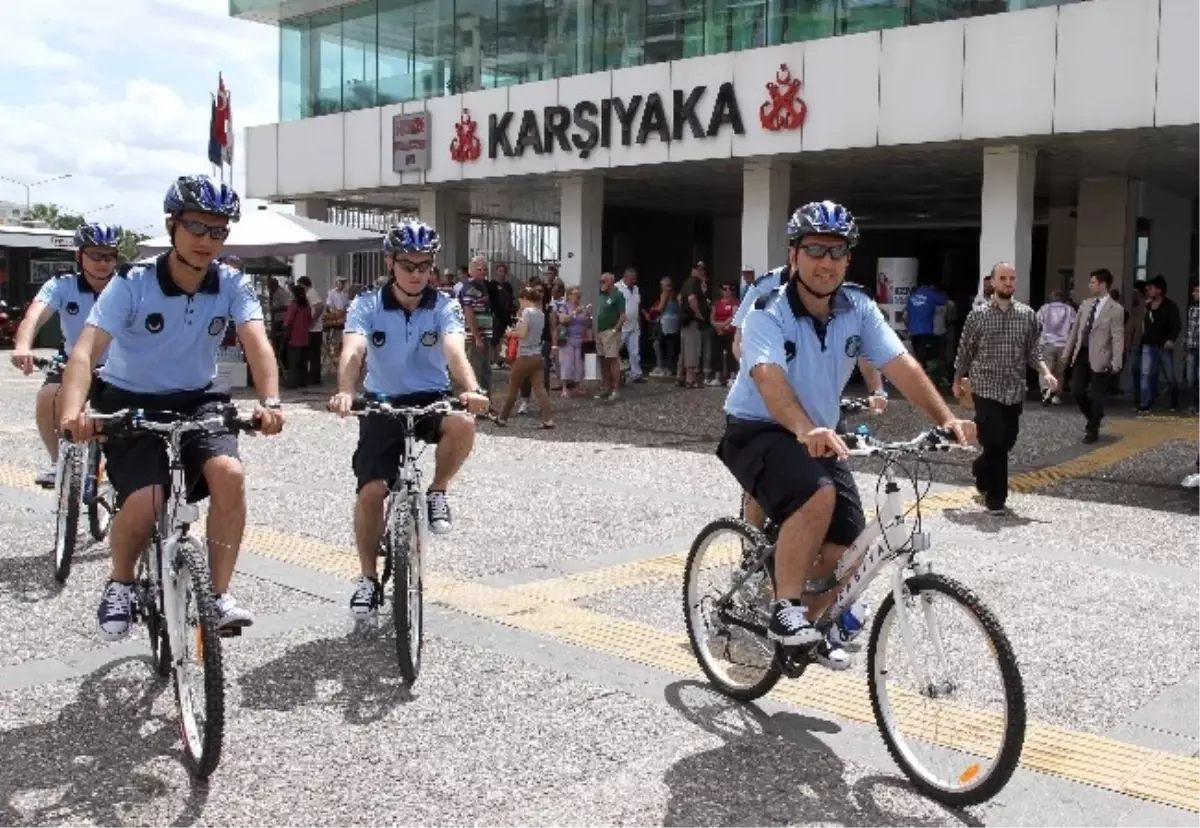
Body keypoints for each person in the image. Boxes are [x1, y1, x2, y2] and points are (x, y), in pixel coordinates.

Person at [720, 200, 974, 670]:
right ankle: (785, 610)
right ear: (794, 256)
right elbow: (768, 377)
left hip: (820, 433)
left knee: (850, 546)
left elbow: (902, 365)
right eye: (815, 249)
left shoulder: (857, 307)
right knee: (815, 495)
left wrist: (946, 420)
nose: (826, 261)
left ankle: (807, 634)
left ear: (848, 260)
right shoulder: (767, 309)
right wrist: (804, 426)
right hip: (759, 428)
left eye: (837, 252)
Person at [58, 174, 286, 641]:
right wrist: (74, 412)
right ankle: (120, 582)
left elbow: (258, 345)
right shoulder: (130, 283)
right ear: (172, 226)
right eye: (197, 227)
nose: (208, 241)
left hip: (198, 397)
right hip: (128, 398)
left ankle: (218, 596)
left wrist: (271, 401)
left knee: (230, 475)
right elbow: (85, 352)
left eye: (218, 231)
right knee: (147, 499)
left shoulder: (233, 284)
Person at [328, 219, 490, 619]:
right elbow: (353, 350)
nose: (417, 274)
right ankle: (367, 579)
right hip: (382, 402)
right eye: (408, 265)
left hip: (430, 398)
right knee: (371, 493)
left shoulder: (445, 305)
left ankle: (437, 491)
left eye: (424, 265)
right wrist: (346, 390)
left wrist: (470, 390)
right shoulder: (366, 304)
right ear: (390, 262)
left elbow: (455, 351)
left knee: (463, 424)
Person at [10, 222, 122, 487]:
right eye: (95, 255)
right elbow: (34, 316)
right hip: (74, 360)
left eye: (109, 255)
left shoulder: (126, 286)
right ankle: (57, 461)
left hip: (120, 366)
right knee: (49, 396)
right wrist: (23, 345)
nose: (103, 262)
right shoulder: (62, 284)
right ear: (79, 255)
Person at [953, 262, 1057, 515]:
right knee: (995, 440)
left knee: (1006, 441)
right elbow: (965, 350)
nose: (1008, 283)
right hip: (985, 387)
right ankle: (997, 498)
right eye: (1003, 278)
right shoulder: (977, 315)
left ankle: (981, 467)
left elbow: (1033, 350)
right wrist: (957, 380)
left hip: (1013, 388)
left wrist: (1046, 372)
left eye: (1012, 278)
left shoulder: (1027, 315)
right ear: (992, 282)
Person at [1063, 269, 1123, 443]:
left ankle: (1092, 428)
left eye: (1092, 282)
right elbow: (1075, 332)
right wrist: (1067, 352)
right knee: (1077, 391)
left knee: (1096, 394)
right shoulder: (1085, 304)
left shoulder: (1115, 309)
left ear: (1102, 284)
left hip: (1101, 356)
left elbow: (1117, 337)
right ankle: (1094, 415)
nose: (1089, 285)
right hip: (1081, 353)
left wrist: (1116, 362)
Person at [497, 284, 555, 428]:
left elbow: (522, 334)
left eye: (520, 300)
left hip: (524, 355)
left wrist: (511, 333)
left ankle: (502, 417)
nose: (520, 303)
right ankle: (548, 419)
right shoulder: (541, 314)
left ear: (525, 298)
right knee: (540, 390)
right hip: (537, 354)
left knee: (512, 389)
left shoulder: (527, 312)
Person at [1035, 288, 1076, 405]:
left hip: (1047, 343)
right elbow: (1074, 326)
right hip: (1064, 344)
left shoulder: (1044, 308)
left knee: (1045, 368)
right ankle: (1055, 395)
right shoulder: (1070, 310)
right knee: (1060, 371)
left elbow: (1036, 324)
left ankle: (1046, 391)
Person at [903, 277, 948, 384]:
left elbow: (905, 316)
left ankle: (917, 379)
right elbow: (945, 300)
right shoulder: (931, 294)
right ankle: (929, 380)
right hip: (926, 331)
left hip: (914, 332)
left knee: (918, 356)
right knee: (930, 357)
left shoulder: (911, 298)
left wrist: (909, 327)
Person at [594, 272, 625, 400]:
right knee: (603, 360)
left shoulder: (618, 295)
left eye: (604, 281)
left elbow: (623, 315)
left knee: (612, 360)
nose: (601, 284)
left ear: (611, 282)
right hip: (601, 331)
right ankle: (606, 387)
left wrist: (615, 330)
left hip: (610, 331)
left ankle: (616, 389)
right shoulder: (602, 295)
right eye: (600, 281)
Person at [282, 283, 313, 389]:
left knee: (293, 362)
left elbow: (287, 321)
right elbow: (310, 321)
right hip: (305, 337)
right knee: (302, 362)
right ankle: (303, 381)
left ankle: (291, 383)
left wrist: (285, 331)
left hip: (294, 337)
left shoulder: (294, 305)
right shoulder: (306, 306)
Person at [617, 267, 644, 383]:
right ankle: (615, 374)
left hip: (633, 325)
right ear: (626, 277)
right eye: (632, 279)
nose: (634, 281)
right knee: (615, 350)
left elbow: (636, 307)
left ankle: (636, 374)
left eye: (635, 279)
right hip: (622, 325)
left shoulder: (636, 289)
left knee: (634, 351)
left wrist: (639, 322)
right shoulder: (617, 288)